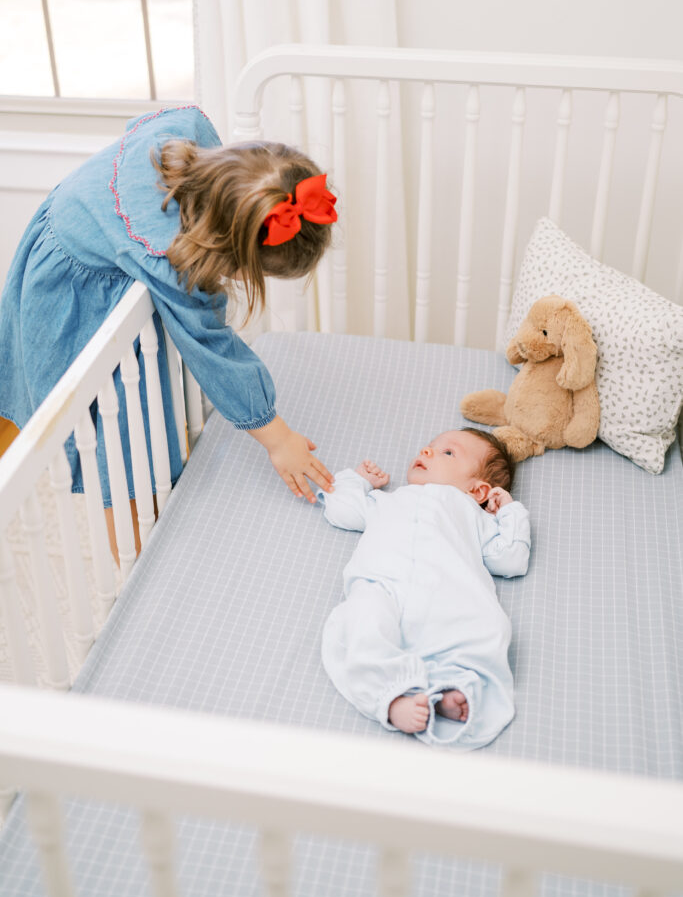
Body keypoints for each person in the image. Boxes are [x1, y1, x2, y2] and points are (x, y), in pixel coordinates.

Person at [0, 105, 336, 555]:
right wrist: (278, 438)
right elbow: (212, 348)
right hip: (72, 289)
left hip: (77, 232)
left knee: (149, 406)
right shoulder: (168, 261)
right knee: (119, 437)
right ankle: (137, 556)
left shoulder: (188, 131)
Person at [318, 427, 531, 749]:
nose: (427, 451)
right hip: (383, 586)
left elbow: (510, 560)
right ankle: (392, 695)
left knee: (489, 627)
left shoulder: (475, 516)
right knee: (361, 622)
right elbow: (342, 510)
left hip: (449, 593)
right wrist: (358, 481)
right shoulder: (387, 500)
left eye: (448, 453)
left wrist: (509, 511)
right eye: (429, 447)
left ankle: (452, 688)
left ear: (478, 491)